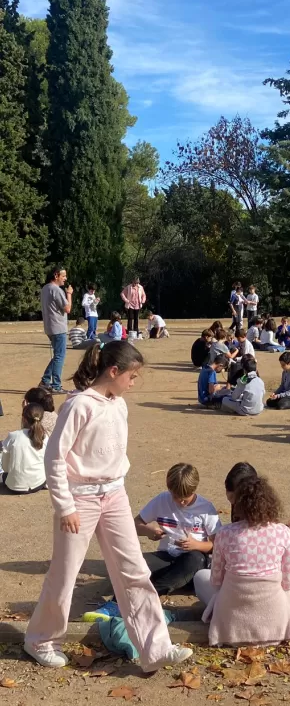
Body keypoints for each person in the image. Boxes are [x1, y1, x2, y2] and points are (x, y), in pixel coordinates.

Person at [24, 340, 193, 671]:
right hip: (80, 500)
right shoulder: (79, 406)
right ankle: (40, 640)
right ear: (113, 371)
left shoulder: (120, 405)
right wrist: (65, 506)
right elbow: (55, 458)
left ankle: (155, 647)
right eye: (132, 376)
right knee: (64, 572)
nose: (134, 383)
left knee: (135, 572)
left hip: (115, 496)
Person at [193, 475, 290, 646]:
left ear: (239, 504)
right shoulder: (283, 532)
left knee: (200, 576)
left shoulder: (225, 533)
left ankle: (217, 608)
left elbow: (216, 581)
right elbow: (287, 583)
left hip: (232, 616)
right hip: (274, 618)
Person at [135, 463, 221, 596]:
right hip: (166, 556)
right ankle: (170, 582)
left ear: (194, 490)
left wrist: (196, 545)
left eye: (185, 498)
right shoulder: (162, 500)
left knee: (194, 560)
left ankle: (145, 592)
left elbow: (218, 545)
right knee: (132, 563)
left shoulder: (206, 508)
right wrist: (148, 530)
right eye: (175, 497)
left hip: (194, 559)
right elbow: (135, 524)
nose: (180, 502)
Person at [39, 266, 73, 395]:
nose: (65, 279)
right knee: (59, 356)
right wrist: (69, 294)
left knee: (57, 356)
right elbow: (67, 309)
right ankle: (56, 386)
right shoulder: (56, 289)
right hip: (58, 327)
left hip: (49, 327)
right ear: (56, 275)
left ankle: (45, 381)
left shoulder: (45, 288)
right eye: (63, 276)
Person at [1, 403, 47, 494]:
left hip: (15, 486)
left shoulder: (13, 436)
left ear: (23, 419)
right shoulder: (45, 437)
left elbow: (5, 467)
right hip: (38, 483)